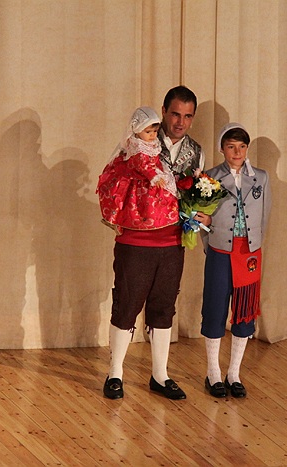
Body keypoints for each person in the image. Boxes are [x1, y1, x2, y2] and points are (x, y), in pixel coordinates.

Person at [102, 86, 205, 400]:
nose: (180, 122)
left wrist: (201, 210)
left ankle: (160, 375)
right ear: (163, 111)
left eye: (187, 116)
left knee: (164, 307)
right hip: (136, 239)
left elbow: (195, 192)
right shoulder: (137, 141)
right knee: (127, 304)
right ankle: (115, 373)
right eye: (175, 114)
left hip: (172, 241)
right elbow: (112, 178)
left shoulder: (196, 152)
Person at [198, 123, 272, 398]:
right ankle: (213, 373)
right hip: (220, 251)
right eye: (231, 147)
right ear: (222, 149)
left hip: (248, 253)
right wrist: (212, 243)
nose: (237, 152)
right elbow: (202, 217)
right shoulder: (211, 177)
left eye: (242, 147)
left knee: (244, 311)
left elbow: (265, 214)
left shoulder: (261, 178)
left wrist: (255, 244)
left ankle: (234, 374)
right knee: (215, 307)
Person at [97, 106, 178, 233]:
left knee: (163, 193)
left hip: (152, 172)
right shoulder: (137, 146)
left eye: (155, 131)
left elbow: (154, 159)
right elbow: (142, 164)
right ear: (138, 130)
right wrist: (153, 176)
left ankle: (159, 221)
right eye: (148, 132)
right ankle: (128, 222)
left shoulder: (151, 143)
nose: (152, 135)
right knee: (137, 202)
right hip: (139, 177)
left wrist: (161, 170)